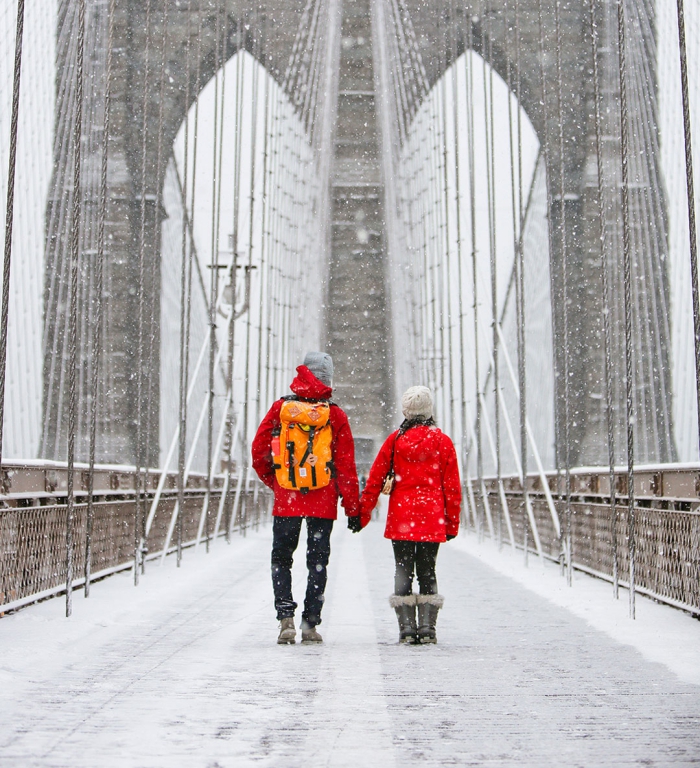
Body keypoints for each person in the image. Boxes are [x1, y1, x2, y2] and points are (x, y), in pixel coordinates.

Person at [251, 352, 360, 645]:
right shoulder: (334, 415)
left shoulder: (282, 408)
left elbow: (258, 450)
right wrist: (353, 508)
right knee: (318, 562)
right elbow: (346, 467)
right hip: (322, 502)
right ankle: (310, 624)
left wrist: (277, 482)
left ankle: (285, 619)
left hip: (287, 499)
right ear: (327, 378)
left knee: (281, 559)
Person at [357, 386, 461, 644]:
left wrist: (362, 513)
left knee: (402, 570)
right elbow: (452, 488)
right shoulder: (443, 442)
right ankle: (427, 629)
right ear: (429, 410)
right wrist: (452, 523)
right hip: (431, 516)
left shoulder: (394, 441)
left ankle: (406, 629)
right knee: (428, 569)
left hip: (402, 518)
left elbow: (374, 480)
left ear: (405, 411)